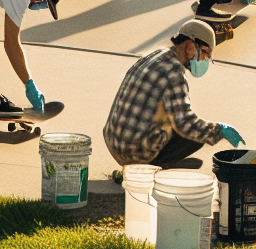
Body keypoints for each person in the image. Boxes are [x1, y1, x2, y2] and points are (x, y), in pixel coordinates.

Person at [104, 19, 243, 169]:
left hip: (114, 143)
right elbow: (185, 123)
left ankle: (148, 161)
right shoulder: (174, 72)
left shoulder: (155, 54)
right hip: (133, 154)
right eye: (204, 53)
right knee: (194, 137)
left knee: (170, 117)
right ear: (190, 46)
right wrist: (219, 130)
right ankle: (153, 166)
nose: (204, 60)